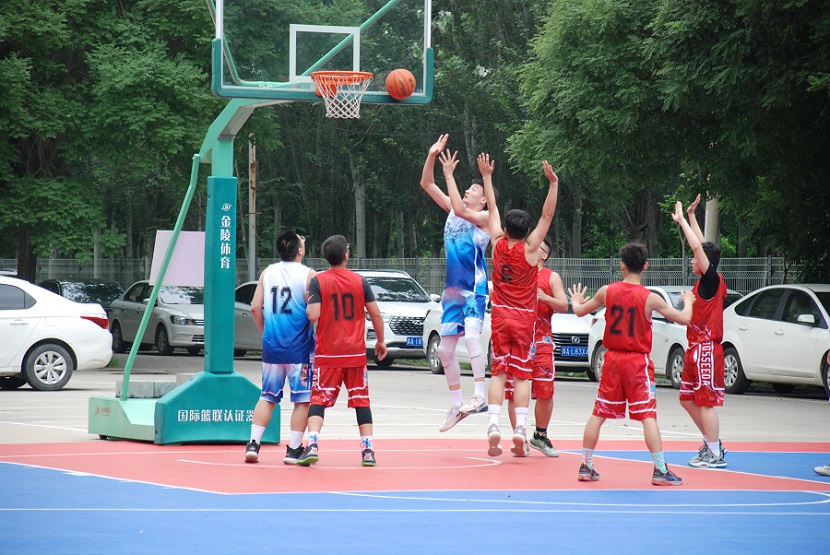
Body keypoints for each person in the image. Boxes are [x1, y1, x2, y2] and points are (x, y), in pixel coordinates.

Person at [568, 243, 694, 486]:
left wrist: (575, 300)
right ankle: (659, 469)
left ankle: (585, 465)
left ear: (622, 266)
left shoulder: (607, 291)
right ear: (645, 266)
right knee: (648, 415)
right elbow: (685, 318)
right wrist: (687, 301)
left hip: (612, 359)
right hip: (637, 362)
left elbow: (580, 311)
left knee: (598, 413)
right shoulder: (650, 298)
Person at [479, 152, 560, 457]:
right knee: (523, 375)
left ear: (506, 228)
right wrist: (553, 184)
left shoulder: (497, 243)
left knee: (499, 373)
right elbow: (547, 216)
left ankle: (493, 425)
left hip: (500, 316)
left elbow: (492, 208)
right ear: (527, 232)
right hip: (525, 319)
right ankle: (521, 429)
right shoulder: (531, 249)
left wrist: (487, 177)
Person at [296, 235, 387, 467]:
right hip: (355, 353)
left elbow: (313, 315)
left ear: (326, 258)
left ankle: (312, 444)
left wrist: (309, 301)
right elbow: (375, 314)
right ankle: (368, 450)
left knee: (319, 399)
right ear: (346, 255)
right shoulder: (359, 281)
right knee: (361, 400)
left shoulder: (319, 281)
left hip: (328, 353)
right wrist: (381, 341)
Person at [420, 134, 491, 432]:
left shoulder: (485, 217)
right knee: (445, 351)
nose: (467, 191)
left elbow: (462, 211)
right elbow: (427, 184)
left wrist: (449, 174)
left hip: (474, 289)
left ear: (483, 199)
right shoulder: (453, 210)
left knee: (472, 338)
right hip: (451, 293)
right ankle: (457, 404)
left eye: (473, 189)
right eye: (466, 188)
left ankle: (480, 396)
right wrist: (432, 156)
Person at [244, 230, 316, 465]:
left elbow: (255, 307)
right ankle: (293, 449)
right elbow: (314, 312)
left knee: (267, 397)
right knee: (302, 400)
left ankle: (253, 444)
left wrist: (266, 332)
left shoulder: (268, 272)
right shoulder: (309, 275)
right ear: (300, 251)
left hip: (272, 347)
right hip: (299, 349)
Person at [671, 195, 729, 468]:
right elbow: (703, 246)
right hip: (694, 347)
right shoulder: (708, 280)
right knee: (687, 399)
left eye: (696, 258)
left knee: (705, 402)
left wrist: (682, 221)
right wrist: (693, 217)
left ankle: (715, 452)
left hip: (706, 347)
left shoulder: (712, 281)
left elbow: (698, 248)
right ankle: (711, 441)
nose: (693, 260)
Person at [505, 239, 569, 457]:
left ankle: (540, 436)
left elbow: (564, 305)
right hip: (518, 341)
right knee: (514, 392)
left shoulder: (551, 277)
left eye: (537, 247)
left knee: (545, 391)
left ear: (544, 255)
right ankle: (519, 437)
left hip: (542, 341)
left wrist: (545, 297)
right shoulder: (515, 272)